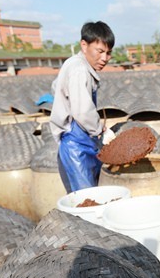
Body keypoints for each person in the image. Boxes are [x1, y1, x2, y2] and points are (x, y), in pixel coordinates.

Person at [49, 21, 116, 192]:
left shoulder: (75, 65)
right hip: (75, 145)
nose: (104, 58)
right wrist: (101, 130)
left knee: (91, 194)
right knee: (88, 200)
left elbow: (56, 87)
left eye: (108, 53)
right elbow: (82, 111)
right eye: (100, 51)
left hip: (82, 139)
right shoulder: (79, 69)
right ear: (84, 45)